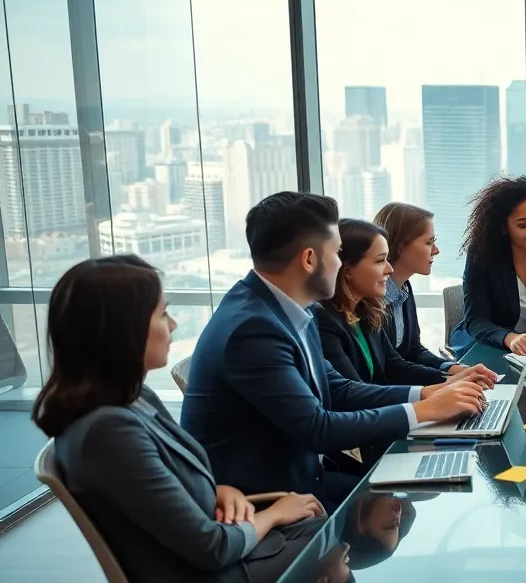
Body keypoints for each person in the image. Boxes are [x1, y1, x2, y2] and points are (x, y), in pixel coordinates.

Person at [37, 255, 328, 583]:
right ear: (122, 328)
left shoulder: (132, 400)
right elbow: (210, 549)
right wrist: (272, 515)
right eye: (162, 313)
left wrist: (220, 489)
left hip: (226, 564)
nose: (172, 325)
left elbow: (180, 476)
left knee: (334, 532)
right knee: (338, 541)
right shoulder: (108, 431)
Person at [182, 192, 494, 510]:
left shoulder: (288, 310)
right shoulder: (252, 330)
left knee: (440, 480)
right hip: (269, 499)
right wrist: (424, 411)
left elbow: (339, 389)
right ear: (309, 259)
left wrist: (427, 396)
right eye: (336, 253)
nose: (340, 263)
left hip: (307, 476)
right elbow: (318, 428)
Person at [451, 176, 526, 356]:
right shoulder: (482, 255)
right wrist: (510, 338)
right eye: (523, 224)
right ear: (503, 227)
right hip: (488, 345)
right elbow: (476, 320)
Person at [316, 219, 448, 387]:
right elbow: (354, 393)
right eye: (380, 261)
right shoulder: (324, 320)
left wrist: (451, 380)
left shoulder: (365, 310)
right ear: (348, 270)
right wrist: (429, 397)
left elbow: (394, 366)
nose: (389, 269)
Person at [374, 201, 470, 371]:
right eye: (429, 242)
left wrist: (452, 369)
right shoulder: (372, 298)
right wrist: (442, 383)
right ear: (401, 245)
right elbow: (389, 368)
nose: (436, 250)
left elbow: (414, 351)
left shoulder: (404, 288)